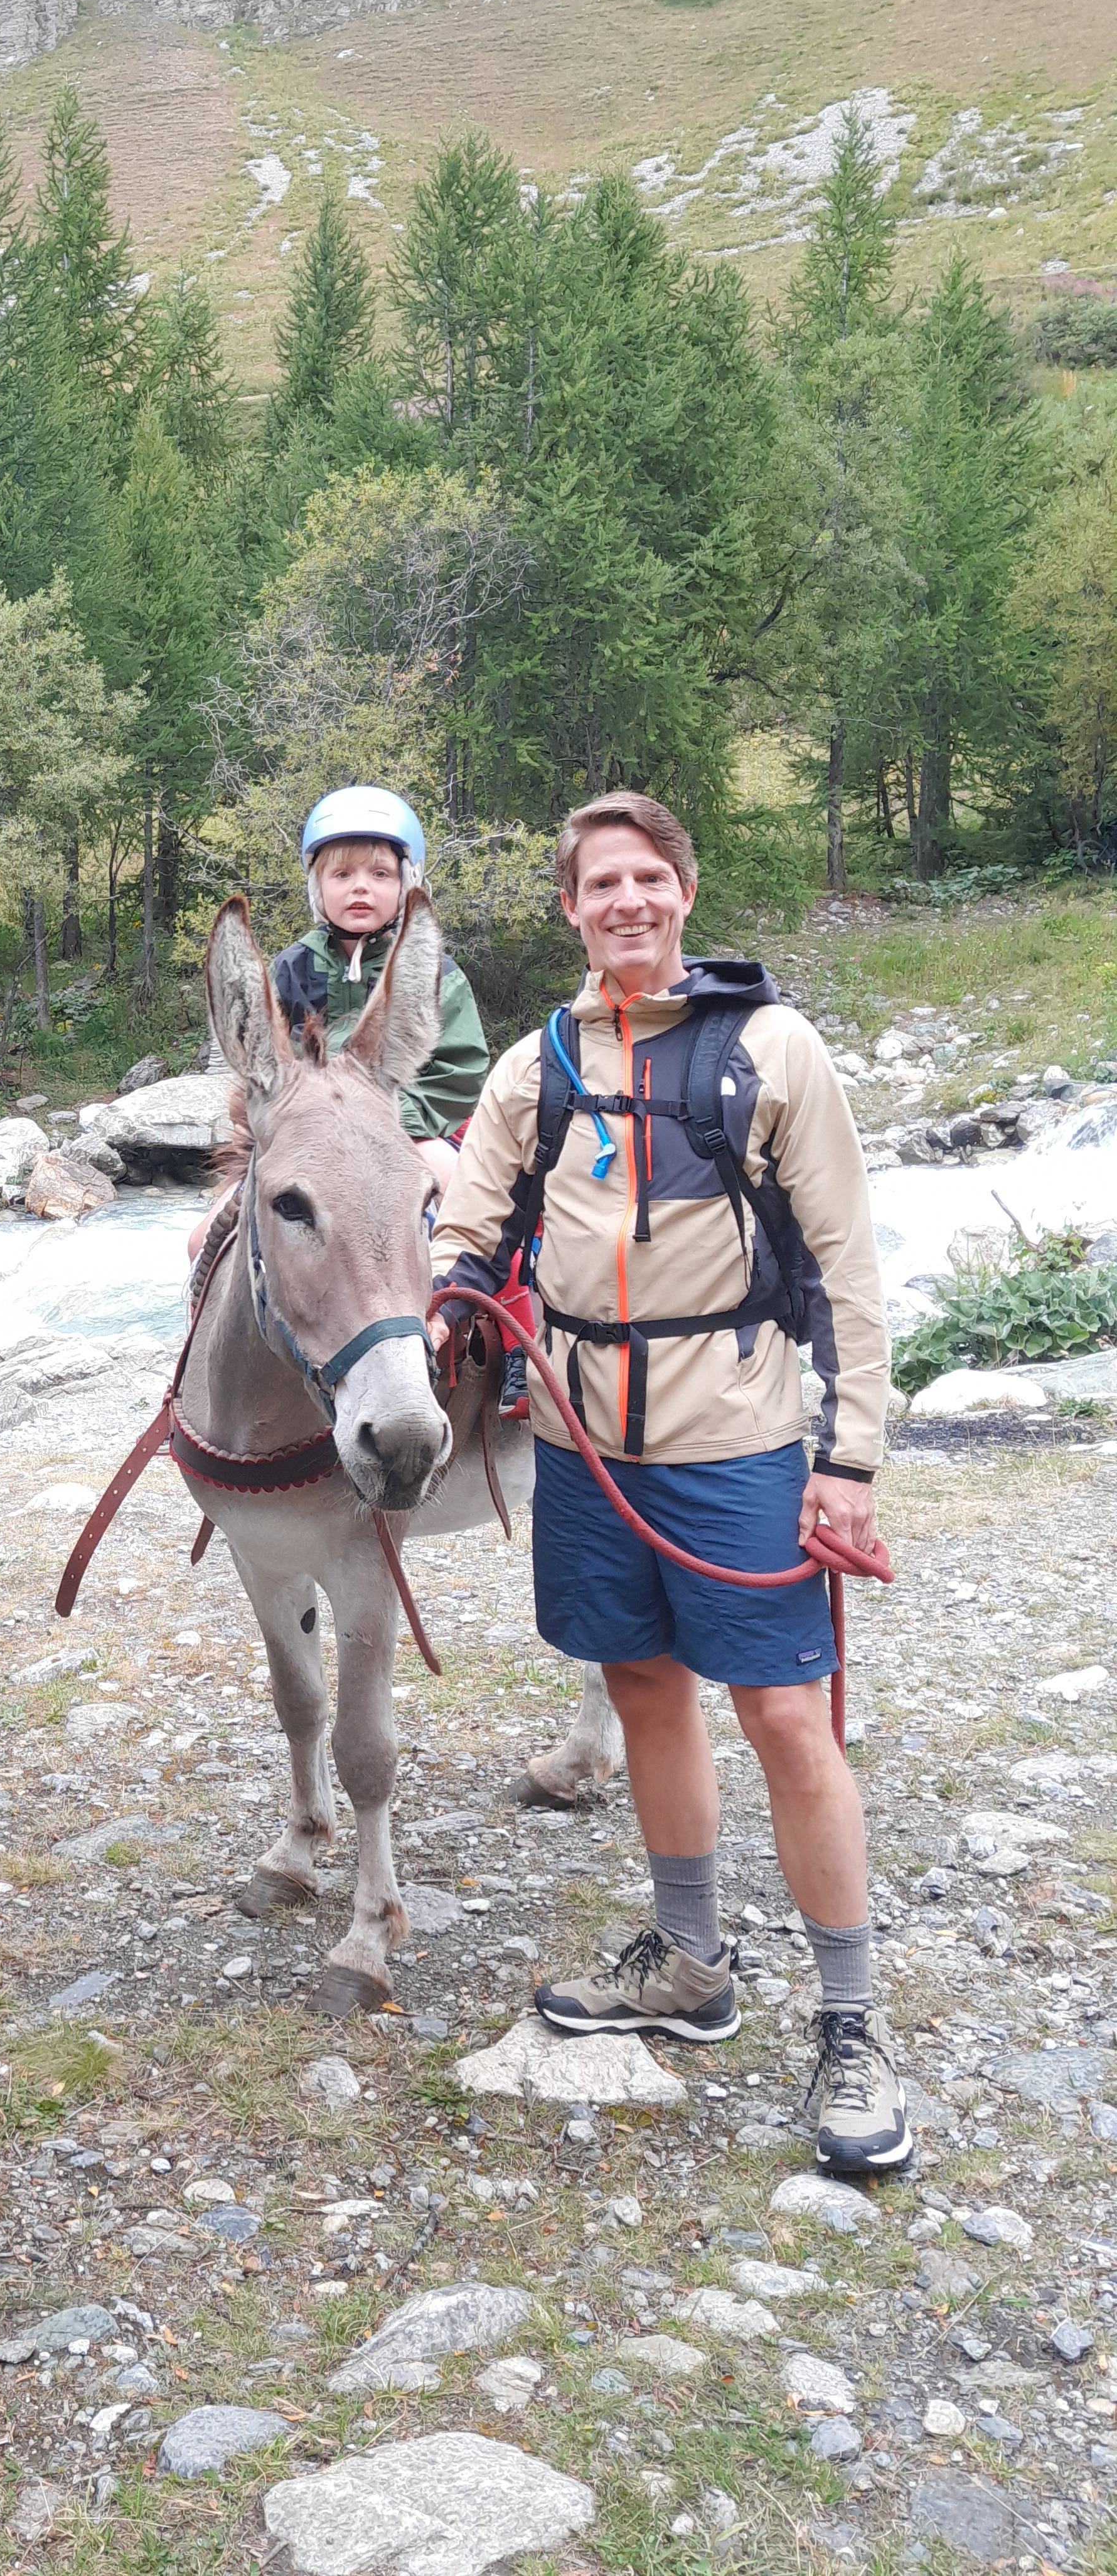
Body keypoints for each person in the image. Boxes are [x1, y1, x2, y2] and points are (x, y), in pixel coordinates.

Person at [430, 790, 904, 2173]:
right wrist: (457, 1289)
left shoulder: (771, 1047)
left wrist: (851, 1460)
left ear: (684, 892)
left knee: (784, 1716)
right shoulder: (538, 1065)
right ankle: (691, 1962)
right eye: (599, 885)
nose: (625, 902)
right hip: (582, 1444)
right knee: (640, 1687)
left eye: (648, 878)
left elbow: (852, 1266)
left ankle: (852, 2019)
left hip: (739, 1443)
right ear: (569, 909)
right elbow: (474, 1210)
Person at [270, 786, 489, 1192]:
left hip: (407, 1128)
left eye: (380, 874)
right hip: (304, 1131)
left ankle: (471, 1257)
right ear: (318, 888)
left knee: (461, 1193)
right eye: (342, 875)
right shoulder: (289, 970)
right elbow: (264, 1065)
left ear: (407, 882)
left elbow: (460, 1072)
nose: (360, 887)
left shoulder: (436, 974)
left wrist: (381, 1116)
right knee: (204, 1241)